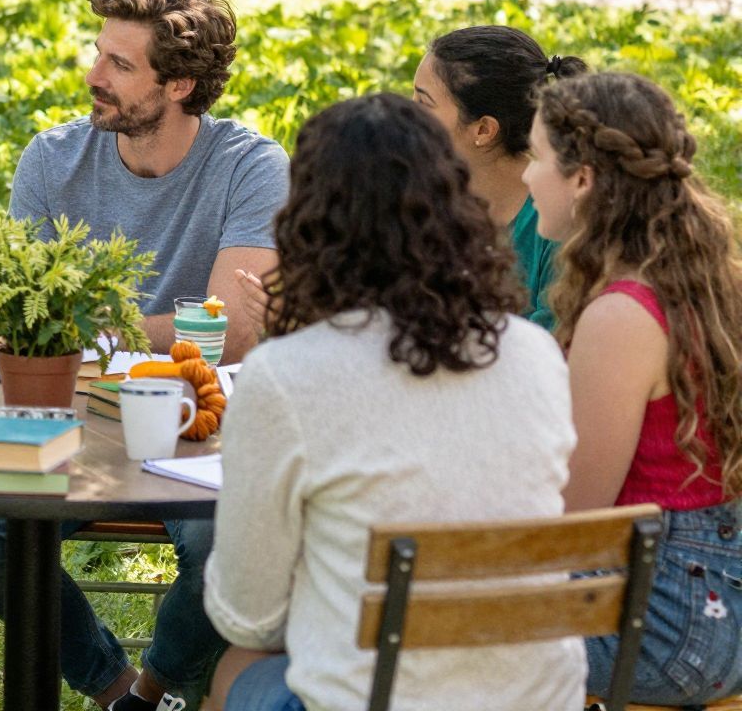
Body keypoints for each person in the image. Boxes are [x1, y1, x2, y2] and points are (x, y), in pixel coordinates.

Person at [0, 0, 287, 711]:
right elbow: (17, 322)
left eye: (120, 65)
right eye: (99, 53)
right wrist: (150, 332)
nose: (93, 76)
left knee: (222, 545)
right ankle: (113, 688)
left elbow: (236, 323)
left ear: (181, 83)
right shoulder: (52, 158)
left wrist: (82, 328)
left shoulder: (251, 167)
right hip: (69, 418)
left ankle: (157, 691)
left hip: (197, 428)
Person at [204, 94, 583, 711]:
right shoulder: (534, 353)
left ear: (308, 219)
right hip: (536, 697)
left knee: (234, 670)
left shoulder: (285, 374)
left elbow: (246, 617)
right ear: (458, 206)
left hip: (375, 699)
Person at [525, 72, 742, 707]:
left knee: (426, 628)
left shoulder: (622, 315)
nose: (526, 177)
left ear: (583, 179)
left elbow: (576, 520)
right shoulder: (706, 283)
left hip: (665, 627)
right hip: (714, 608)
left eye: (537, 158)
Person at [409, 26, 586, 329]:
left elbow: (551, 346)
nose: (405, 113)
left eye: (423, 104)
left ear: (483, 130)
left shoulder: (560, 223)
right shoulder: (416, 198)